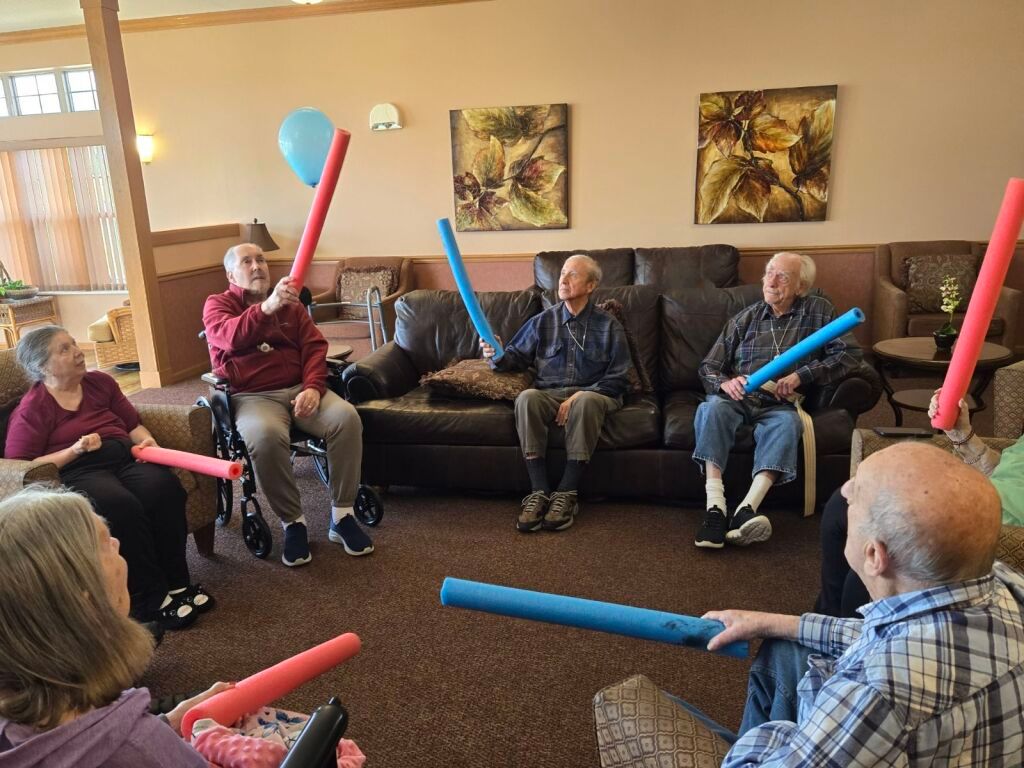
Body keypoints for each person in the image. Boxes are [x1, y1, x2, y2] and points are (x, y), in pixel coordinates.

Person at [598, 441, 1024, 766]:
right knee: (787, 648)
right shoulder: (1003, 583)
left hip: (849, 737)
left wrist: (787, 732)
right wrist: (776, 622)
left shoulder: (874, 697)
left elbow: (874, 692)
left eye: (855, 495)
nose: (844, 493)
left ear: (875, 556)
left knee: (621, 704)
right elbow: (891, 632)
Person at [0, 486, 229, 767]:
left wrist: (169, 721)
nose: (118, 543)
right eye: (106, 541)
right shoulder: (142, 748)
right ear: (86, 597)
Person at [4, 325, 212, 631]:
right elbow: (22, 464)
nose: (77, 352)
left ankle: (177, 583)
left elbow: (132, 423)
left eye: (74, 344)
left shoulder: (100, 383)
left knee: (164, 489)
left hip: (125, 457)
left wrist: (148, 441)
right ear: (42, 366)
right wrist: (74, 450)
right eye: (64, 349)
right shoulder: (32, 409)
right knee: (120, 507)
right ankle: (148, 600)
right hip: (78, 470)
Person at [203, 243, 372, 567]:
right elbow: (229, 337)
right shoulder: (217, 305)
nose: (257, 266)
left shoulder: (290, 306)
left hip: (299, 388)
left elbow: (313, 347)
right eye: (247, 261)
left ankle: (343, 515)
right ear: (230, 274)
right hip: (251, 396)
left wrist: (312, 387)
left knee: (346, 417)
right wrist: (267, 307)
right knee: (265, 437)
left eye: (261, 259)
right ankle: (293, 522)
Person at [693, 252, 859, 549]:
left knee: (787, 425)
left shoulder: (819, 311)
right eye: (769, 272)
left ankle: (746, 510)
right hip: (740, 397)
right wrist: (726, 383)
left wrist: (803, 375)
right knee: (711, 409)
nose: (771, 280)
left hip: (782, 403)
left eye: (782, 276)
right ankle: (714, 509)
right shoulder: (746, 318)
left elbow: (849, 354)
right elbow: (708, 366)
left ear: (800, 285)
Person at [816, 388, 1024, 617]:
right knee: (842, 503)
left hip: (991, 522)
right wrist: (961, 433)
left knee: (879, 566)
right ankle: (829, 615)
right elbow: (1008, 470)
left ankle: (854, 636)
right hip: (972, 496)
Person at [480, 254, 631, 532]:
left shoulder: (609, 325)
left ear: (590, 286)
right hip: (549, 394)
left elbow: (620, 377)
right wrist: (495, 352)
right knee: (527, 398)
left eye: (573, 274)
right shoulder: (542, 321)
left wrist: (580, 395)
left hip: (595, 395)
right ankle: (538, 491)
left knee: (584, 402)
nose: (563, 279)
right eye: (562, 273)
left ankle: (567, 493)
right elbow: (513, 359)